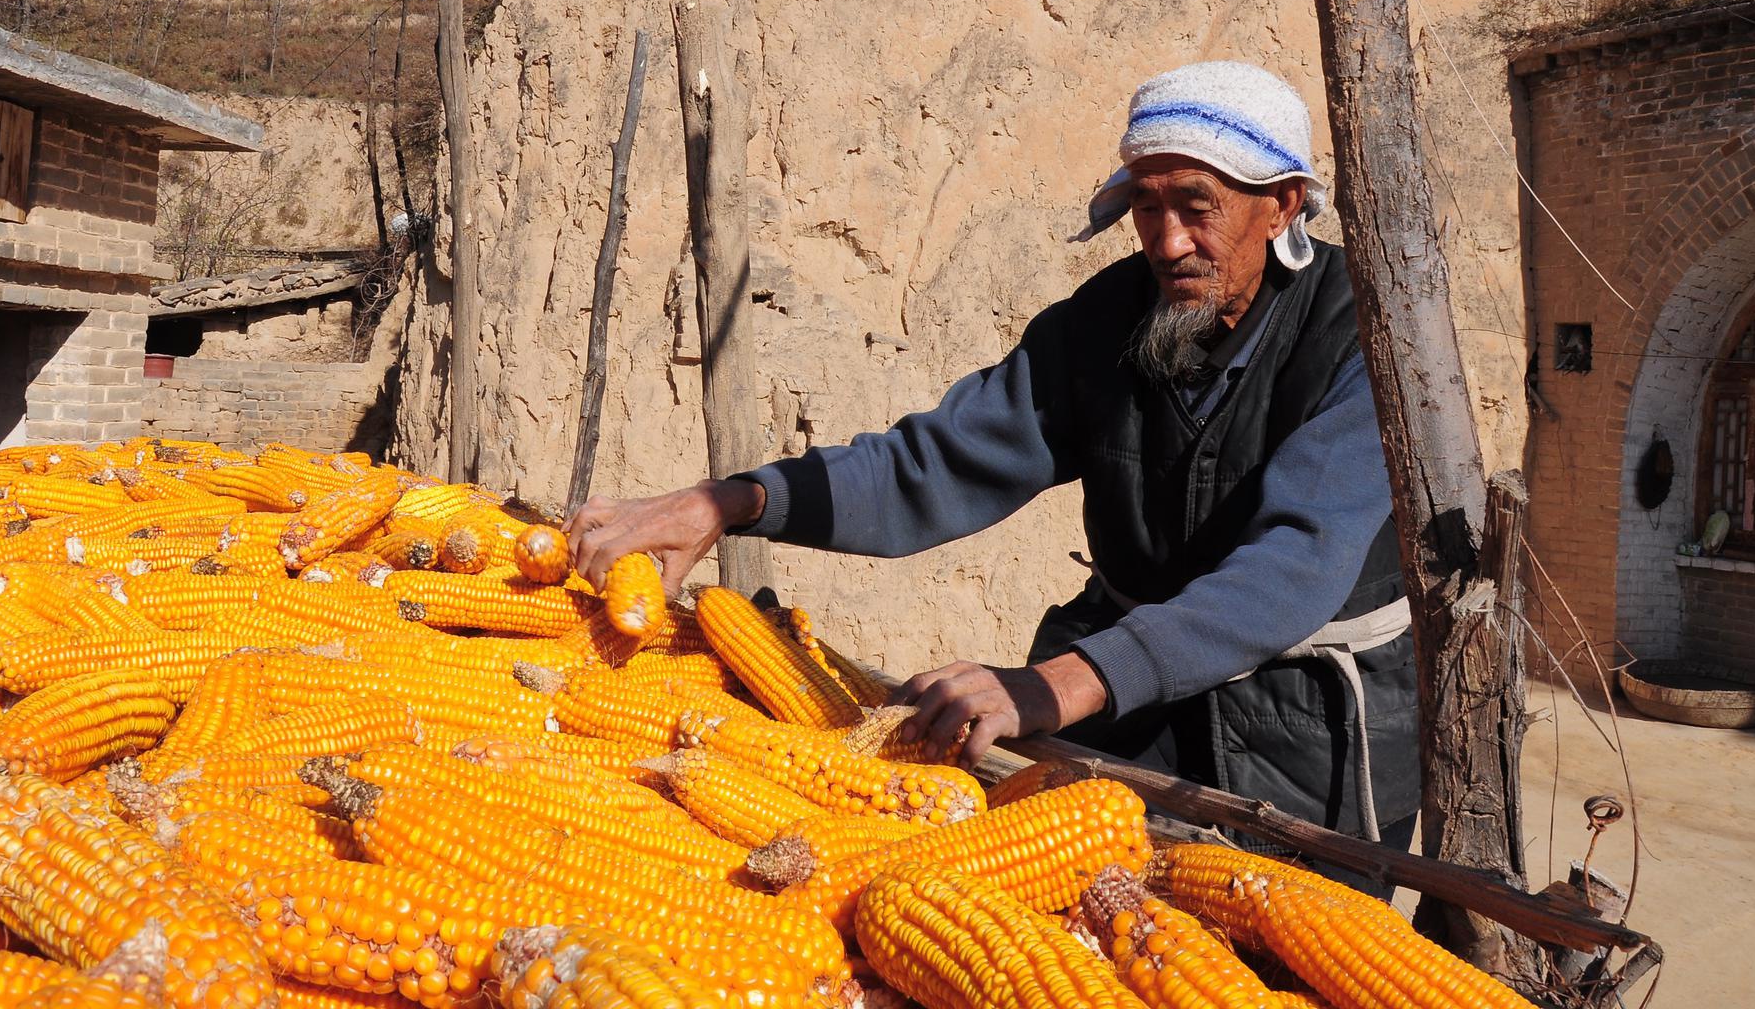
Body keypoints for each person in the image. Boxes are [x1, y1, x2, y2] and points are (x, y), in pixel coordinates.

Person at [567, 61, 1420, 879]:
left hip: (1305, 731)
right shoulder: (1107, 319)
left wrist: (1060, 684)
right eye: (1145, 206)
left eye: (1197, 208)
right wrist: (732, 501)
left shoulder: (1364, 333)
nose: (1166, 242)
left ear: (1282, 204)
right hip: (1131, 706)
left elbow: (1294, 565)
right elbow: (935, 464)